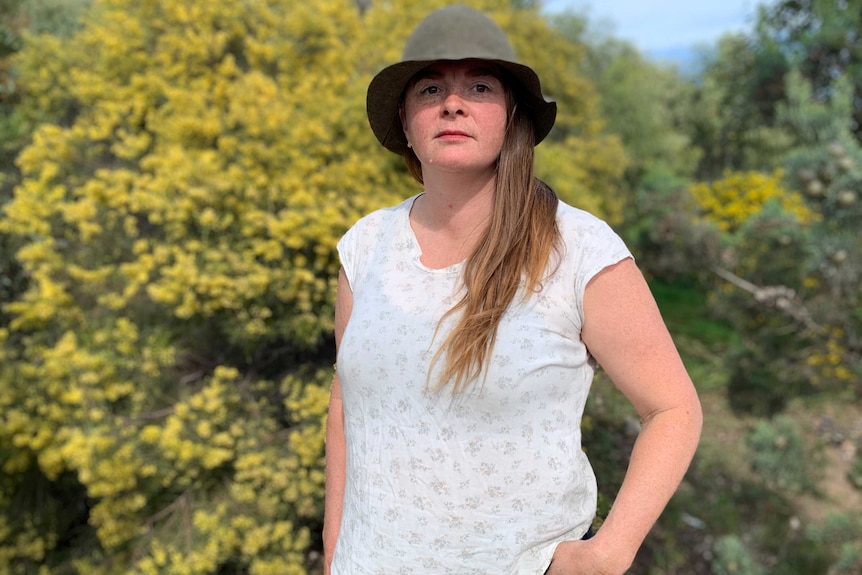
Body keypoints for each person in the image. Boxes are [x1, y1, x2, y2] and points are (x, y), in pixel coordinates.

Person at [323, 5, 703, 574]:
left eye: (479, 86)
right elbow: (348, 403)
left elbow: (674, 409)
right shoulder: (365, 246)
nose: (453, 103)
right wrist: (334, 553)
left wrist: (608, 553)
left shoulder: (577, 249)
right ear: (405, 121)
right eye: (431, 89)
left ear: (512, 117)